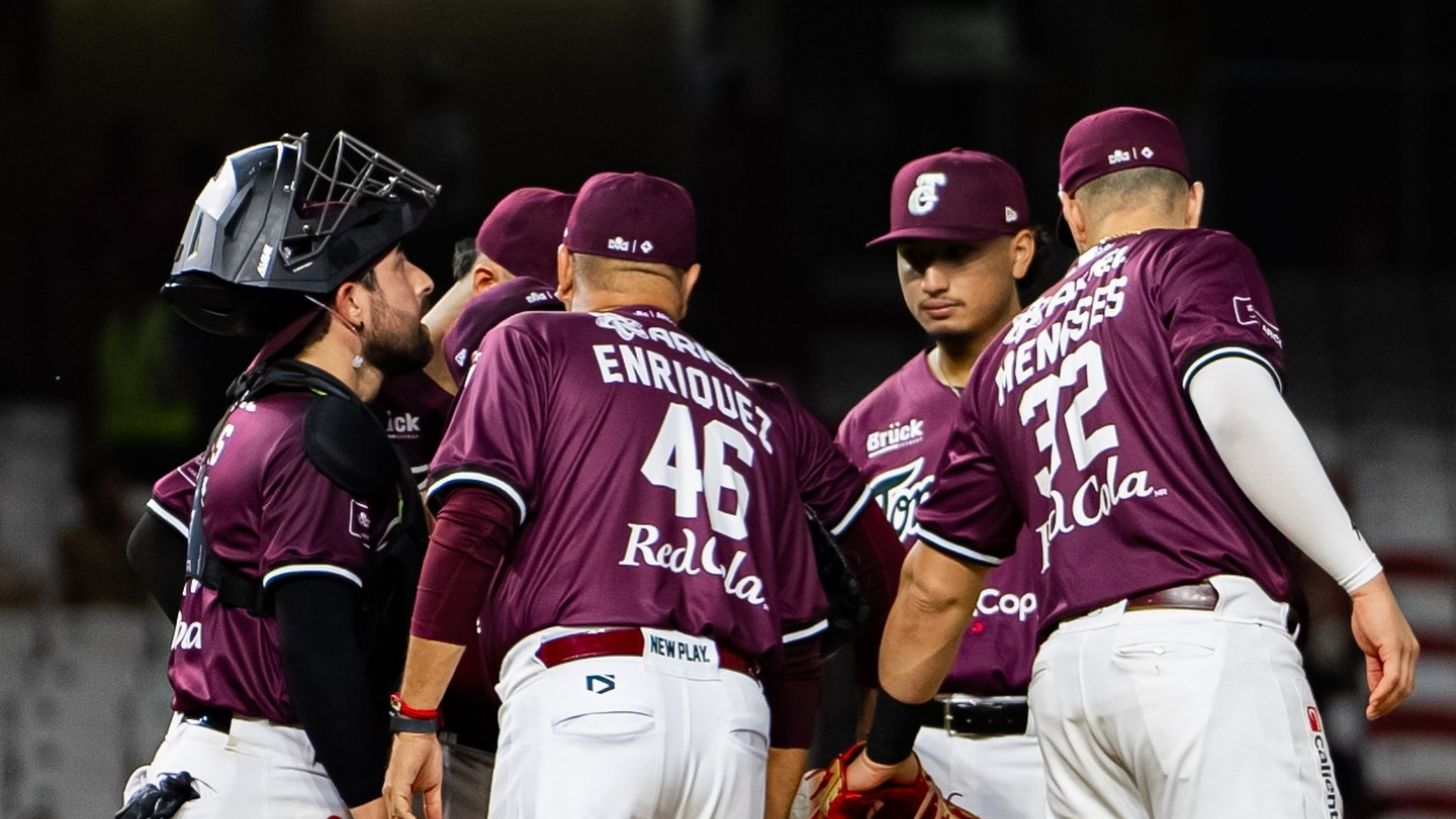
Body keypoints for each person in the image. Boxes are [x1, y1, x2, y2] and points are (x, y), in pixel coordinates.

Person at [842, 106, 1420, 818]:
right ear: (1193, 202)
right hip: (1200, 650)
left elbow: (932, 587)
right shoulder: (1188, 256)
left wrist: (884, 751)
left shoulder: (1003, 360)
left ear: (1071, 214)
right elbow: (1236, 409)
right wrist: (1362, 578)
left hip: (1068, 685)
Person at [381, 171, 830, 819]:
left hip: (589, 696)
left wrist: (417, 714)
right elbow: (801, 646)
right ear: (689, 282)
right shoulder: (756, 407)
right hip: (734, 718)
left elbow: (474, 524)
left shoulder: (535, 339)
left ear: (565, 267)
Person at [120, 131, 438, 819]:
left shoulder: (262, 410)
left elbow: (154, 538)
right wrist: (368, 798)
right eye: (401, 263)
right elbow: (315, 640)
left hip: (210, 756)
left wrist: (239, 653)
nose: (424, 282)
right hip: (274, 770)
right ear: (352, 302)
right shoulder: (322, 429)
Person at [835, 148, 1046, 818]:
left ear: (1020, 251)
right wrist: (874, 747)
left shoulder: (1077, 385)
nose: (931, 279)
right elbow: (871, 619)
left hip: (1063, 735)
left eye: (957, 253)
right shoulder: (868, 425)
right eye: (914, 257)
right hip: (920, 742)